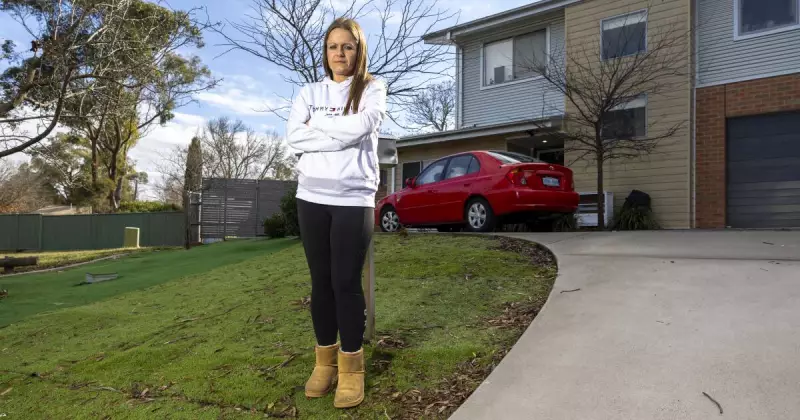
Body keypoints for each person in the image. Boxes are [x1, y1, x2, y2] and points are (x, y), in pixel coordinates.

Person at [285, 17, 386, 409]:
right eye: (332, 46)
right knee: (320, 283)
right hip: (311, 196)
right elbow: (294, 136)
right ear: (325, 52)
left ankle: (352, 369)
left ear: (358, 51)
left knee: (345, 282)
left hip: (354, 197)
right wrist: (338, 130)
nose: (339, 53)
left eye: (347, 46)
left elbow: (363, 128)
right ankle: (324, 363)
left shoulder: (372, 89)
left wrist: (320, 127)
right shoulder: (308, 91)